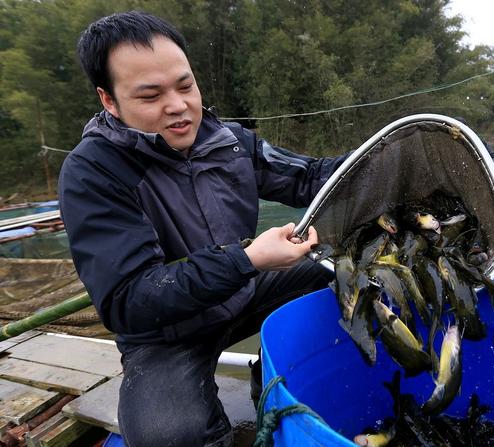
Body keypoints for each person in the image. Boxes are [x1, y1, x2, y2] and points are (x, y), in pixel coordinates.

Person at [59, 11, 350, 447]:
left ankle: (273, 380)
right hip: (165, 332)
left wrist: (386, 159)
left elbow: (312, 178)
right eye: (151, 95)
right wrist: (247, 259)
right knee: (171, 436)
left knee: (359, 267)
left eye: (185, 85)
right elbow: (128, 301)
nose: (178, 106)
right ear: (109, 100)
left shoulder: (230, 142)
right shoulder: (91, 172)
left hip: (249, 287)